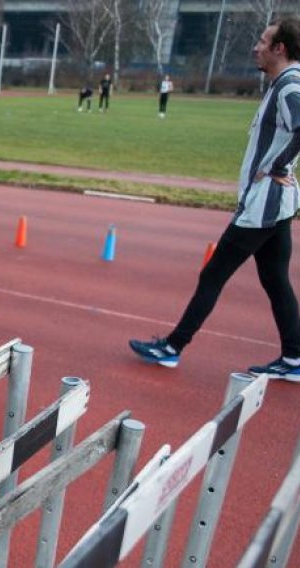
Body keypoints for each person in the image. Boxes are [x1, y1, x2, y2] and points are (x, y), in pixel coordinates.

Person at [129, 17, 300, 382]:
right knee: (274, 279)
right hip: (276, 204)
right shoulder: (283, 83)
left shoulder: (289, 86)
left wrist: (278, 165)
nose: (256, 46)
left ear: (279, 48)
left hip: (263, 205)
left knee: (213, 275)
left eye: (263, 40)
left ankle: (172, 347)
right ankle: (294, 357)